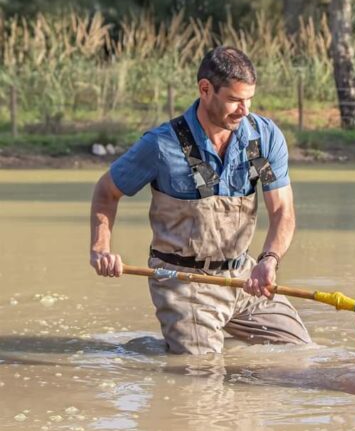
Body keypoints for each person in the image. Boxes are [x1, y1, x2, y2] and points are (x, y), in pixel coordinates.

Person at [89, 46, 311, 354]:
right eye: (234, 100)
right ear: (205, 89)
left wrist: (268, 261)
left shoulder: (263, 139)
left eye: (249, 99)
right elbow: (106, 192)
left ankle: (187, 342)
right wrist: (101, 248)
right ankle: (167, 341)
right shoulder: (160, 145)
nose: (244, 110)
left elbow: (282, 210)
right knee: (200, 378)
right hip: (184, 281)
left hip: (244, 277)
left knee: (299, 355)